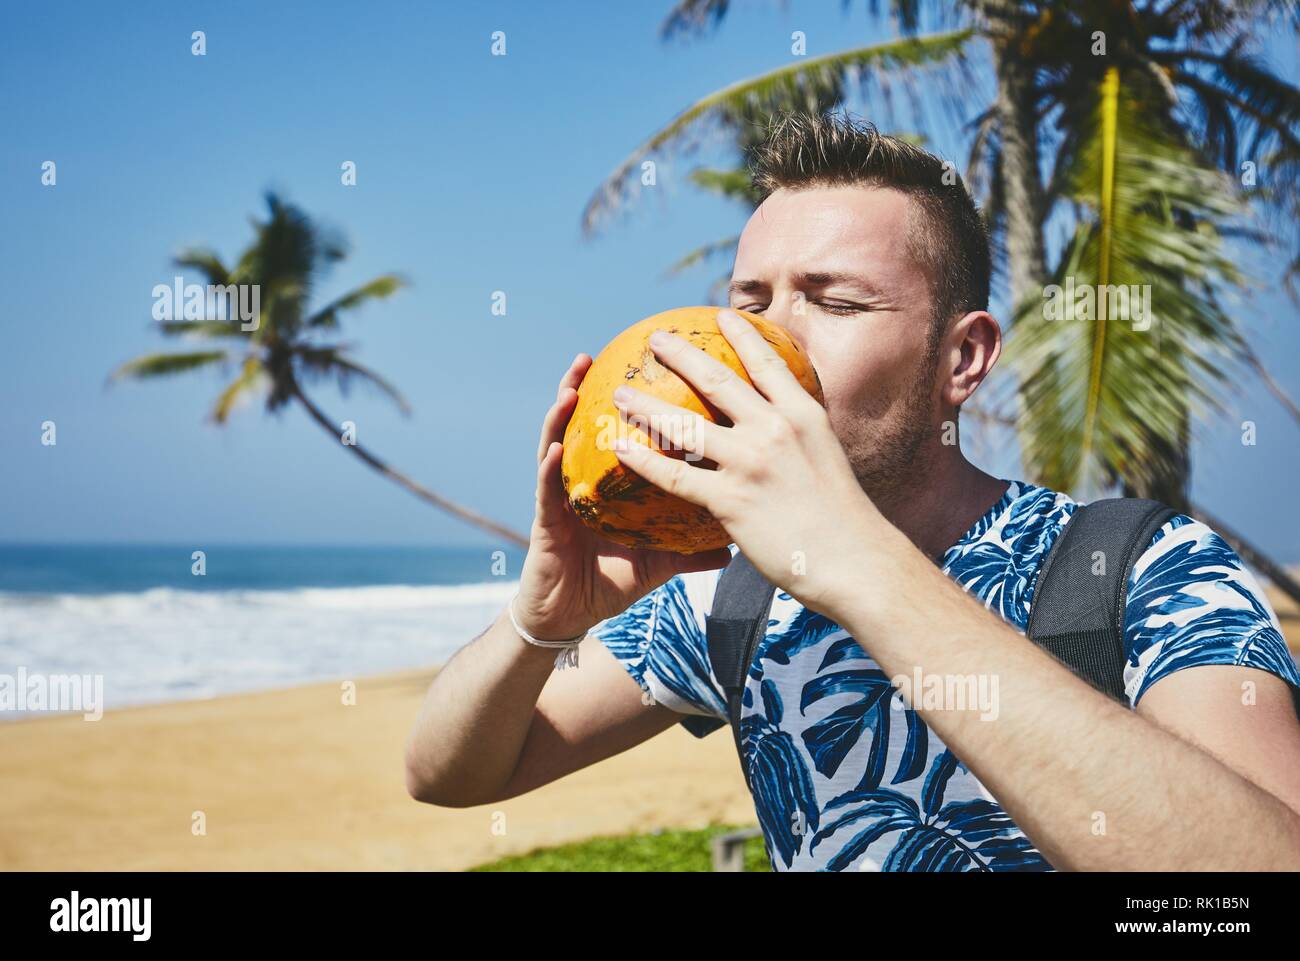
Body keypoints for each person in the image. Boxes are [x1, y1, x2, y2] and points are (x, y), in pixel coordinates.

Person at [405, 112, 1300, 871]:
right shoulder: (731, 595)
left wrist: (858, 560)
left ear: (963, 357)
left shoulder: (1143, 568)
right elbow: (451, 773)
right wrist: (541, 620)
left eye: (834, 304)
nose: (766, 346)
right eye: (750, 302)